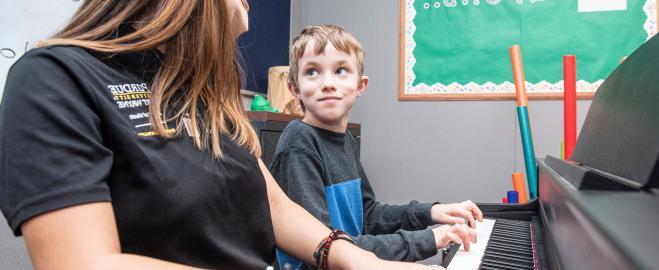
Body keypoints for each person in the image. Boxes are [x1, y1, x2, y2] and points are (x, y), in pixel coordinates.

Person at [0, 1, 438, 269]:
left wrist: (359, 260)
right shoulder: (55, 78)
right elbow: (82, 263)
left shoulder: (206, 99)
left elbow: (275, 206)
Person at [271, 25, 483, 269]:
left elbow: (368, 215)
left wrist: (431, 213)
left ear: (360, 85)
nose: (327, 83)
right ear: (294, 88)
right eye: (312, 72)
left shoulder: (346, 141)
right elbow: (327, 248)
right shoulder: (299, 141)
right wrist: (429, 238)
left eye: (340, 70)